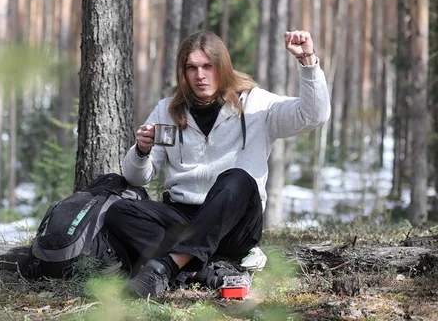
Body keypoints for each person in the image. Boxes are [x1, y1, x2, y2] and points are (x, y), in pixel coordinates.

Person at [104, 30, 331, 298]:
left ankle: (165, 268)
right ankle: (201, 271)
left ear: (221, 66)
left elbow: (313, 116)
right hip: (183, 218)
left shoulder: (256, 103)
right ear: (183, 72)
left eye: (208, 66)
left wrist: (307, 60)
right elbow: (137, 178)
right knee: (119, 212)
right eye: (192, 68)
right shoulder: (168, 109)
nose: (200, 75)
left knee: (237, 178)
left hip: (236, 225)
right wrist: (141, 151)